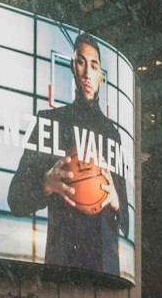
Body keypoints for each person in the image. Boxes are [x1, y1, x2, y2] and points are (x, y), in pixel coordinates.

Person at [7, 32, 129, 276]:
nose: (87, 73)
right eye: (81, 62)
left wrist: (116, 201)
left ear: (101, 77)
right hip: (62, 262)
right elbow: (15, 199)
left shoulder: (112, 134)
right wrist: (46, 184)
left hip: (105, 268)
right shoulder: (49, 122)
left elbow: (125, 219)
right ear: (73, 67)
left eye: (94, 66)